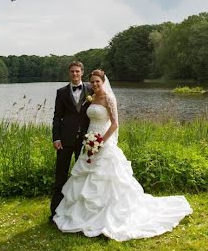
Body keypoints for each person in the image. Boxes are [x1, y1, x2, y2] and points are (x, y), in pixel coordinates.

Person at [52, 69, 192, 241]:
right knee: (84, 175)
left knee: (107, 176)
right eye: (93, 82)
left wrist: (100, 141)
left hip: (103, 140)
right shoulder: (91, 97)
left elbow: (115, 124)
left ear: (103, 82)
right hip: (89, 140)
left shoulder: (109, 98)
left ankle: (110, 215)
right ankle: (80, 214)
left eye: (98, 82)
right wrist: (89, 141)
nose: (95, 84)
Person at [50, 60, 91, 220]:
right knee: (60, 176)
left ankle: (82, 213)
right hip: (65, 141)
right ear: (69, 73)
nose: (75, 74)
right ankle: (55, 213)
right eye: (72, 71)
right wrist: (56, 138)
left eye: (77, 71)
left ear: (82, 72)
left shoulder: (91, 89)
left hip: (86, 141)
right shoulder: (61, 92)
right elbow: (57, 117)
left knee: (84, 176)